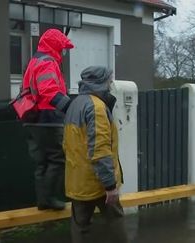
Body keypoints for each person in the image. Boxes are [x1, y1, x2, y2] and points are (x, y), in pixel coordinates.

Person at [63, 66, 127, 243]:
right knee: (115, 221)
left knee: (80, 227)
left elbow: (67, 145)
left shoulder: (75, 104)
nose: (111, 83)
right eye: (109, 80)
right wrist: (110, 186)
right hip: (97, 182)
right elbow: (100, 149)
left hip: (78, 181)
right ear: (102, 82)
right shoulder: (96, 107)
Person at [23, 29, 74, 210]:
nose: (63, 52)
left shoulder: (34, 61)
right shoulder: (48, 63)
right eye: (62, 48)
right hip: (48, 118)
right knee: (57, 158)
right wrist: (71, 108)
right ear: (55, 46)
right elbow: (49, 91)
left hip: (32, 118)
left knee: (41, 161)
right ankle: (50, 199)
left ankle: (43, 201)